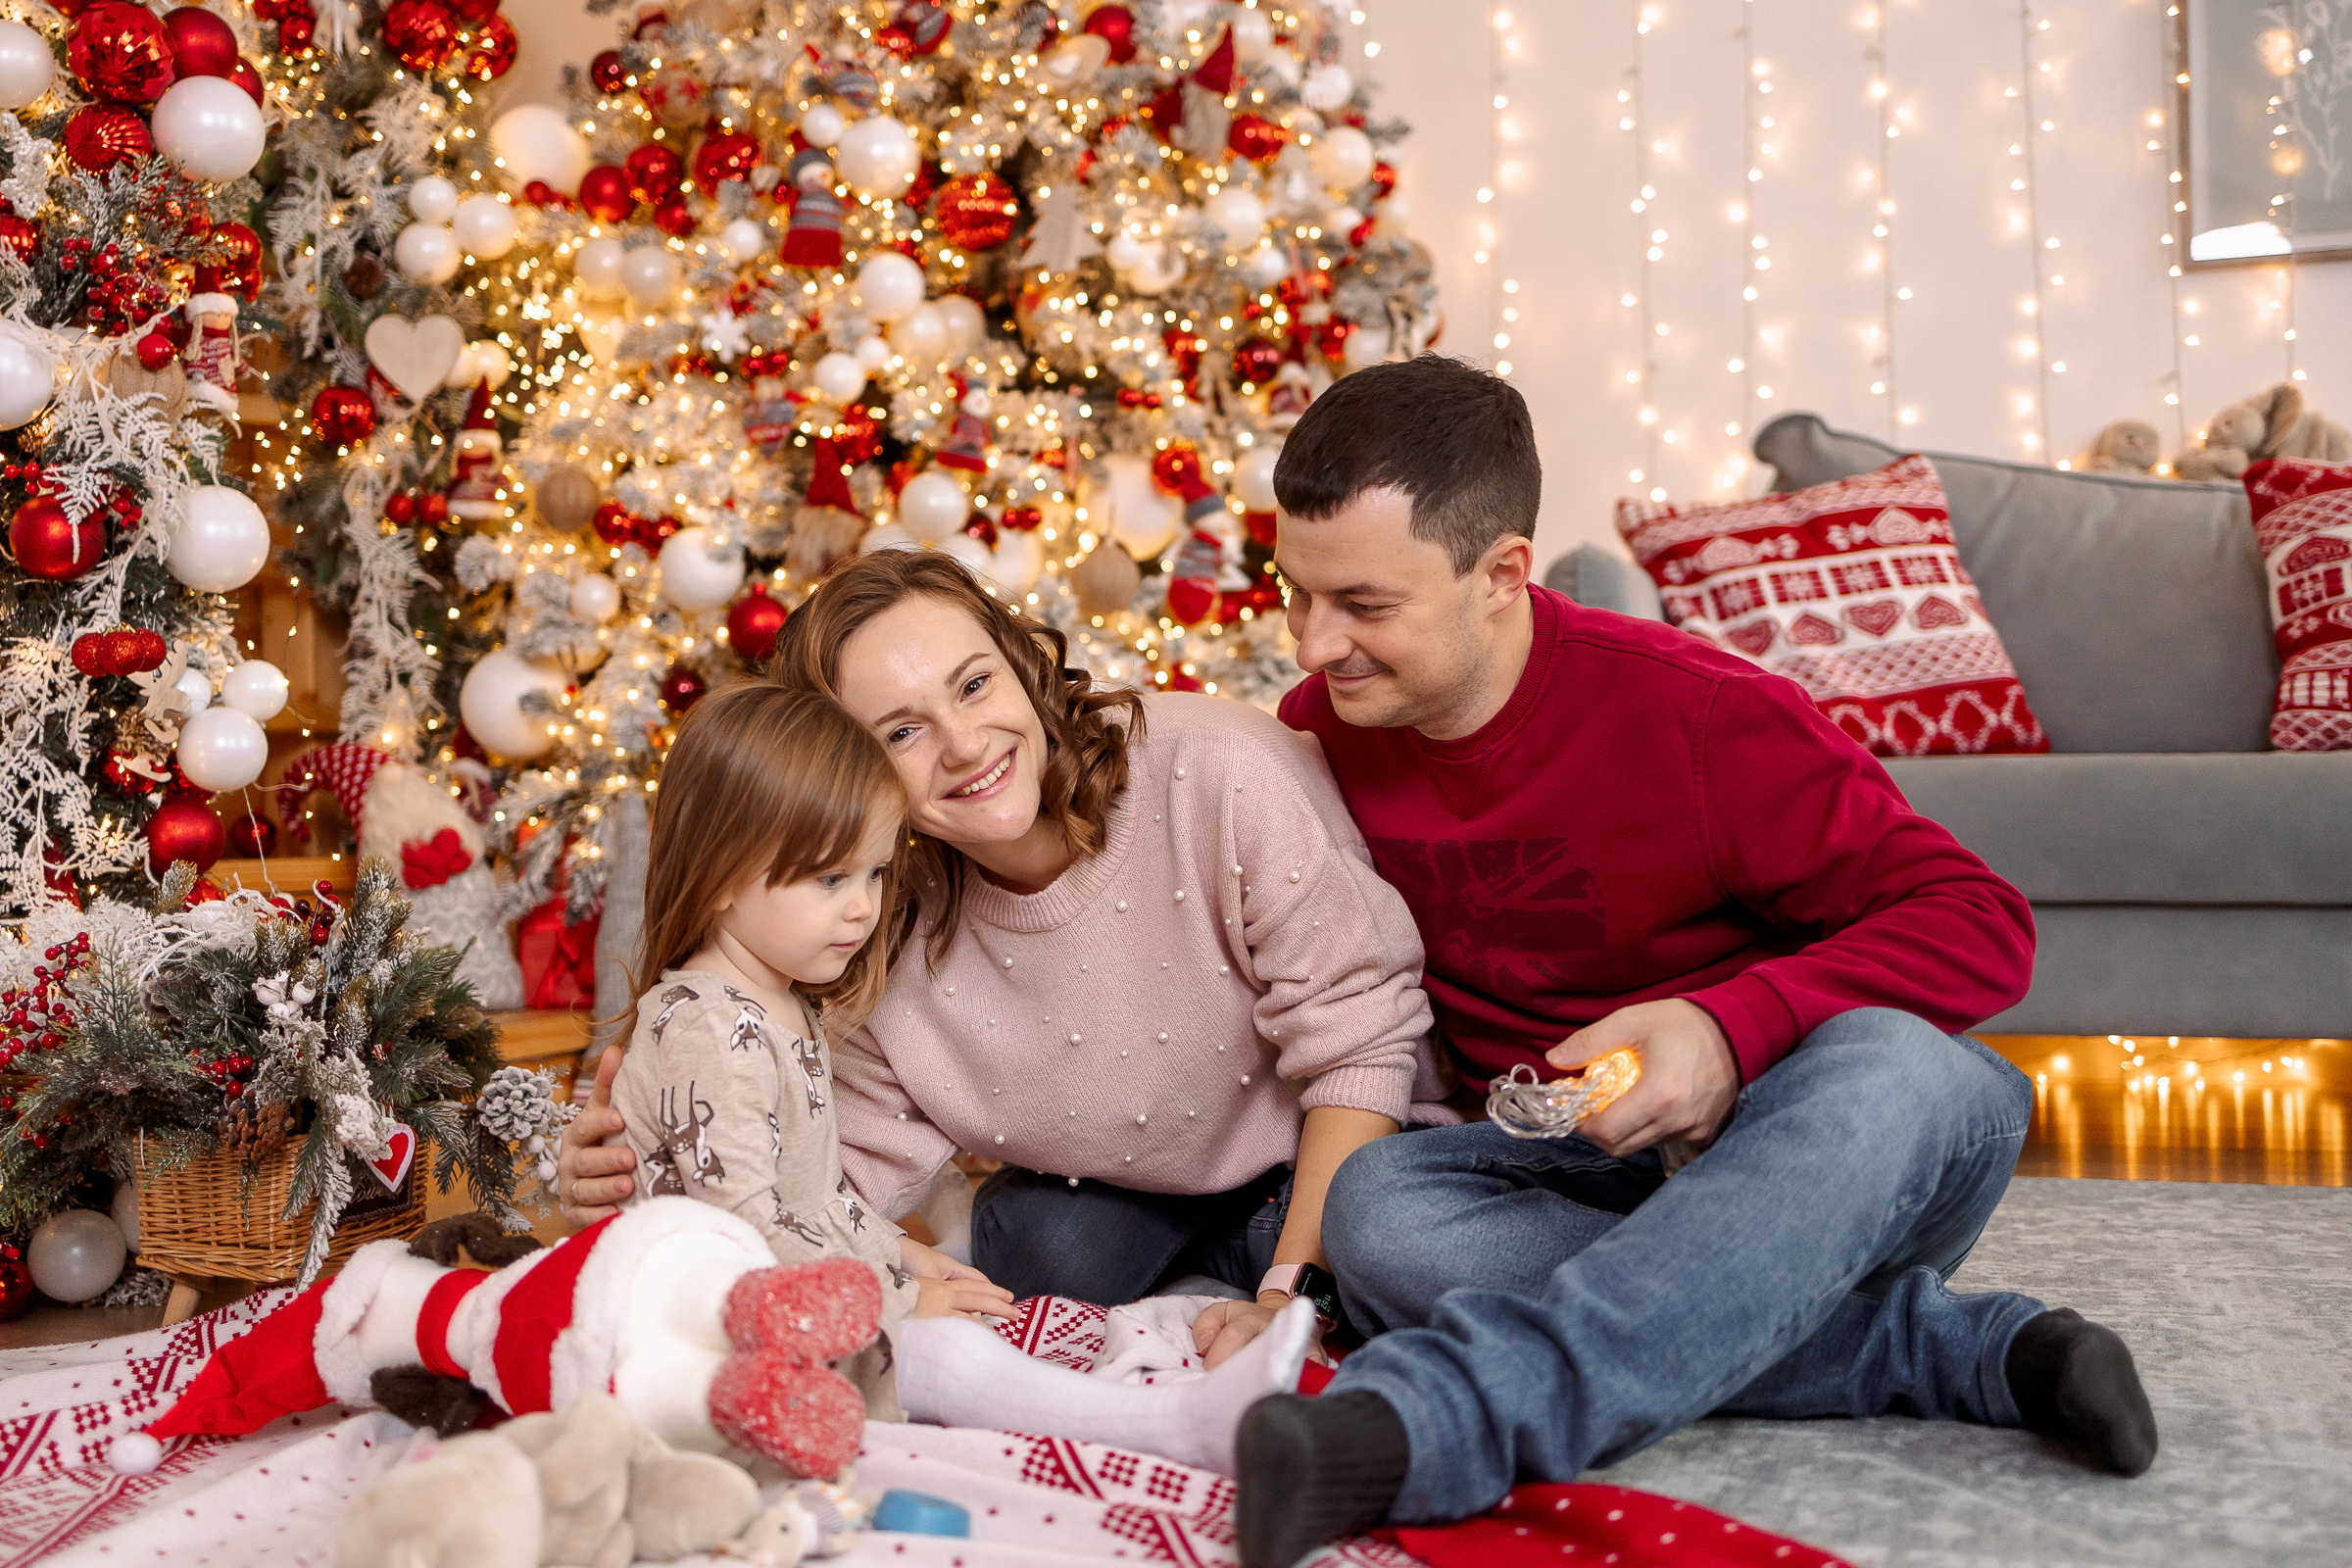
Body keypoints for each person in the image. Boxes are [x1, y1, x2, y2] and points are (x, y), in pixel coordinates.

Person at [1227, 356, 2158, 1568]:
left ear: (1501, 574)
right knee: (1378, 1212)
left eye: (1362, 604)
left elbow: (1981, 917)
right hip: (1566, 1164)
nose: (1314, 643)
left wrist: (1729, 1030)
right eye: (1294, 592)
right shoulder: (1319, 738)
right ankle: (1940, 1348)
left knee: (1892, 1059)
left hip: (1813, 1150)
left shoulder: (1704, 714)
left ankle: (1437, 1421)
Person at [559, 551, 1453, 1368]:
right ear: (850, 777)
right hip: (1139, 1194)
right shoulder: (877, 925)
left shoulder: (1217, 768)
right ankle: (1202, 1286)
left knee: (1399, 1240)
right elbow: (810, 1187)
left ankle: (1269, 1274)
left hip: (1336, 1153)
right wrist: (641, 1178)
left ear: (1022, 666)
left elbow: (1362, 1045)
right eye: (901, 733)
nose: (963, 745)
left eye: (975, 684)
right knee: (1034, 1252)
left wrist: (1290, 1302)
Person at [603, 676, 1317, 1474]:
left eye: (875, 874)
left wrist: (904, 1256)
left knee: (954, 1328)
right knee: (945, 1353)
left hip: (776, 1300)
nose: (863, 909)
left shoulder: (778, 1006)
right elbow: (743, 1230)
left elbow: (813, 1199)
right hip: (702, 1328)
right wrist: (902, 1299)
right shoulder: (712, 1027)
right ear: (723, 873)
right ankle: (1160, 1425)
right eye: (831, 879)